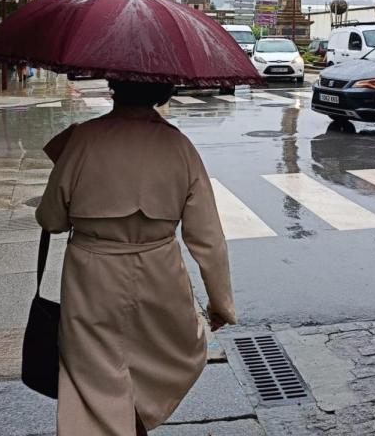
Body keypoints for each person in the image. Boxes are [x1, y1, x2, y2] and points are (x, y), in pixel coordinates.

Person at [35, 80, 236, 436]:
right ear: (164, 92)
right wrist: (220, 303)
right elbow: (208, 238)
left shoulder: (83, 140)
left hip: (91, 277)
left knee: (93, 376)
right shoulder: (179, 146)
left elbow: (51, 220)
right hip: (160, 275)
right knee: (157, 366)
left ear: (114, 87)